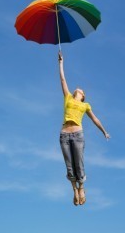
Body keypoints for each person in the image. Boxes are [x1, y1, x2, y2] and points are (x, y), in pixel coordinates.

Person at [58, 52, 110, 206]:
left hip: (77, 135)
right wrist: (61, 62)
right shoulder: (67, 97)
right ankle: (74, 190)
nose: (77, 89)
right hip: (64, 135)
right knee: (69, 165)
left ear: (83, 96)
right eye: (77, 89)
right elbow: (62, 79)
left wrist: (104, 131)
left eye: (80, 90)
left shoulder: (85, 105)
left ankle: (81, 188)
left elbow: (95, 118)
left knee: (79, 164)